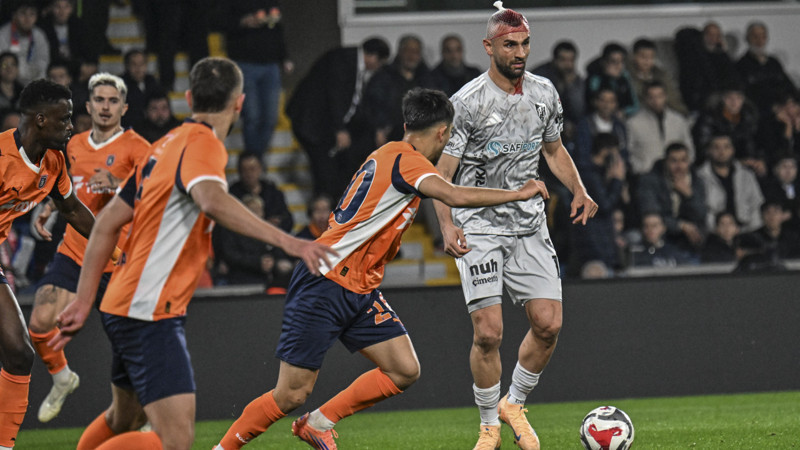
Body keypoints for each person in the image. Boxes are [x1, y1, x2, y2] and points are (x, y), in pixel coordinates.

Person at [214, 87, 549, 450]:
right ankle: (223, 449)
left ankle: (319, 423)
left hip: (358, 286)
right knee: (291, 394)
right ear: (442, 133)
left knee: (404, 369)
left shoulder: (389, 154)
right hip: (326, 280)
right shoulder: (408, 161)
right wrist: (519, 192)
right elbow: (453, 194)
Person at [50, 57, 336, 450]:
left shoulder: (165, 145)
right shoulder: (204, 145)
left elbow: (104, 224)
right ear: (240, 103)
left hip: (121, 303)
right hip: (148, 312)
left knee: (124, 418)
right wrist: (292, 241)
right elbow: (212, 199)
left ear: (187, 98)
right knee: (176, 442)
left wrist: (85, 301)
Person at [432, 4, 597, 449]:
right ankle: (489, 425)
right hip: (480, 226)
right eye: (510, 44)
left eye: (524, 43)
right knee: (489, 332)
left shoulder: (544, 93)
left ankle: (514, 402)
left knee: (548, 324)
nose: (519, 51)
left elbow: (555, 150)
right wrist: (447, 225)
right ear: (489, 47)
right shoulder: (466, 104)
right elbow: (440, 176)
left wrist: (578, 189)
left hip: (528, 225)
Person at [27, 73, 151, 424]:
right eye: (100, 100)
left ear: (124, 107)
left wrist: (117, 184)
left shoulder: (138, 147)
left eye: (113, 100)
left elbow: (155, 196)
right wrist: (48, 209)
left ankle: (150, 416)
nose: (106, 106)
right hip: (76, 251)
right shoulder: (73, 145)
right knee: (39, 322)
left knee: (131, 352)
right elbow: (61, 186)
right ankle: (63, 377)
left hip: (120, 260)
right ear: (88, 106)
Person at [0, 78, 96, 449]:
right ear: (41, 119)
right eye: (65, 119)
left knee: (19, 353)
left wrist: (120, 250)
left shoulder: (53, 161)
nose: (72, 126)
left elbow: (71, 209)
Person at [286, 37, 390, 197]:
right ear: (374, 57)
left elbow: (354, 102)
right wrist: (340, 129)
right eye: (380, 63)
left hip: (322, 126)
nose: (378, 68)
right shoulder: (343, 60)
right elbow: (334, 94)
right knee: (324, 172)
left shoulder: (353, 64)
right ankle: (323, 206)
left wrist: (375, 128)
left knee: (334, 169)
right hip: (310, 123)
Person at [226, 0, 292, 158]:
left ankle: (255, 160)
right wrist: (242, 22)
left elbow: (277, 28)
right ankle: (253, 162)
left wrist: (284, 57)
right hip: (245, 63)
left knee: (270, 119)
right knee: (252, 117)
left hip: (271, 65)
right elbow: (218, 20)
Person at [569, 133, 626, 276]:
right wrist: (617, 181)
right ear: (606, 151)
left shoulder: (599, 175)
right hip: (593, 249)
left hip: (602, 245)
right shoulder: (588, 176)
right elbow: (604, 206)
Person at [636, 142, 707, 251]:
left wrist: (689, 195)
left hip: (689, 237)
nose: (679, 166)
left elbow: (701, 214)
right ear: (666, 162)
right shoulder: (650, 180)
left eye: (683, 160)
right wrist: (681, 226)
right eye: (674, 161)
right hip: (662, 234)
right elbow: (651, 213)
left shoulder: (697, 181)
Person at [697, 134, 764, 232]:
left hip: (746, 230)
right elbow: (703, 210)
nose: (722, 152)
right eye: (716, 147)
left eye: (726, 147)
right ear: (709, 151)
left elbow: (755, 203)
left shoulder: (746, 175)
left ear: (732, 150)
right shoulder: (701, 177)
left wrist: (753, 230)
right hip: (714, 234)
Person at [626, 81, 694, 175]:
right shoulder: (633, 123)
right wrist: (639, 167)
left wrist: (684, 166)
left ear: (665, 96)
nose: (656, 101)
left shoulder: (678, 120)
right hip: (646, 174)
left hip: (677, 174)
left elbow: (689, 147)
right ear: (645, 99)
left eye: (659, 96)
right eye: (651, 97)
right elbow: (628, 151)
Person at [531, 40, 586, 146]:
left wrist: (571, 87)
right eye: (563, 60)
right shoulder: (540, 78)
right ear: (555, 60)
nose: (568, 65)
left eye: (571, 60)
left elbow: (578, 111)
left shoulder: (574, 80)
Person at [736, 21, 797, 114]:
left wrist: (791, 101)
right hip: (761, 113)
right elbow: (747, 95)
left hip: (783, 108)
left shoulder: (774, 63)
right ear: (748, 39)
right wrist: (772, 107)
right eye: (755, 37)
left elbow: (788, 85)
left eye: (763, 37)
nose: (759, 41)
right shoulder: (741, 65)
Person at [229, 152, 293, 233]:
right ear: (239, 172)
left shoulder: (273, 193)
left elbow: (287, 220)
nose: (249, 174)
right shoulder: (232, 194)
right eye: (244, 170)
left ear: (260, 169)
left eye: (252, 169)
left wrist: (277, 223)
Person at [627, 38, 687, 116]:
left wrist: (683, 113)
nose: (647, 60)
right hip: (641, 116)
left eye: (651, 57)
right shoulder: (627, 76)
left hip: (665, 114)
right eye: (643, 56)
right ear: (634, 56)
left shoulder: (662, 75)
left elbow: (673, 98)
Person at [0, 2, 50, 85]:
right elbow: (3, 64)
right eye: (23, 14)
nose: (27, 19)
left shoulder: (39, 35)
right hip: (10, 83)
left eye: (32, 14)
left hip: (34, 82)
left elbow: (43, 63)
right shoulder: (2, 35)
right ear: (14, 16)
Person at [585, 42, 638, 118]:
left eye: (621, 62)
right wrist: (607, 78)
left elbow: (635, 105)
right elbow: (592, 104)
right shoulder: (594, 79)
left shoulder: (625, 77)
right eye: (614, 62)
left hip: (622, 118)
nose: (619, 66)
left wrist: (624, 111)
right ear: (604, 62)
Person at [629, 212, 698, 267]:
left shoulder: (673, 252)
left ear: (663, 228)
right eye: (646, 226)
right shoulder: (635, 252)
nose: (650, 230)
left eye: (654, 226)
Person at [119, 49, 163, 129]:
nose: (138, 68)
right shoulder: (120, 85)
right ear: (127, 66)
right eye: (134, 64)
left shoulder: (151, 81)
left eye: (141, 64)